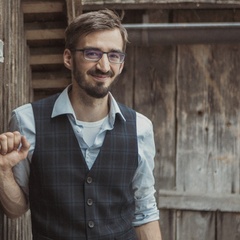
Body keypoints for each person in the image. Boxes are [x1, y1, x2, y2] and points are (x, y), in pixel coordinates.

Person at [0, 9, 162, 240]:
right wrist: (3, 171)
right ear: (68, 58)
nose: (104, 66)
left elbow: (145, 212)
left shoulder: (141, 128)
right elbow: (15, 210)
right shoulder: (27, 121)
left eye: (114, 55)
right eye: (92, 53)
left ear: (122, 63)